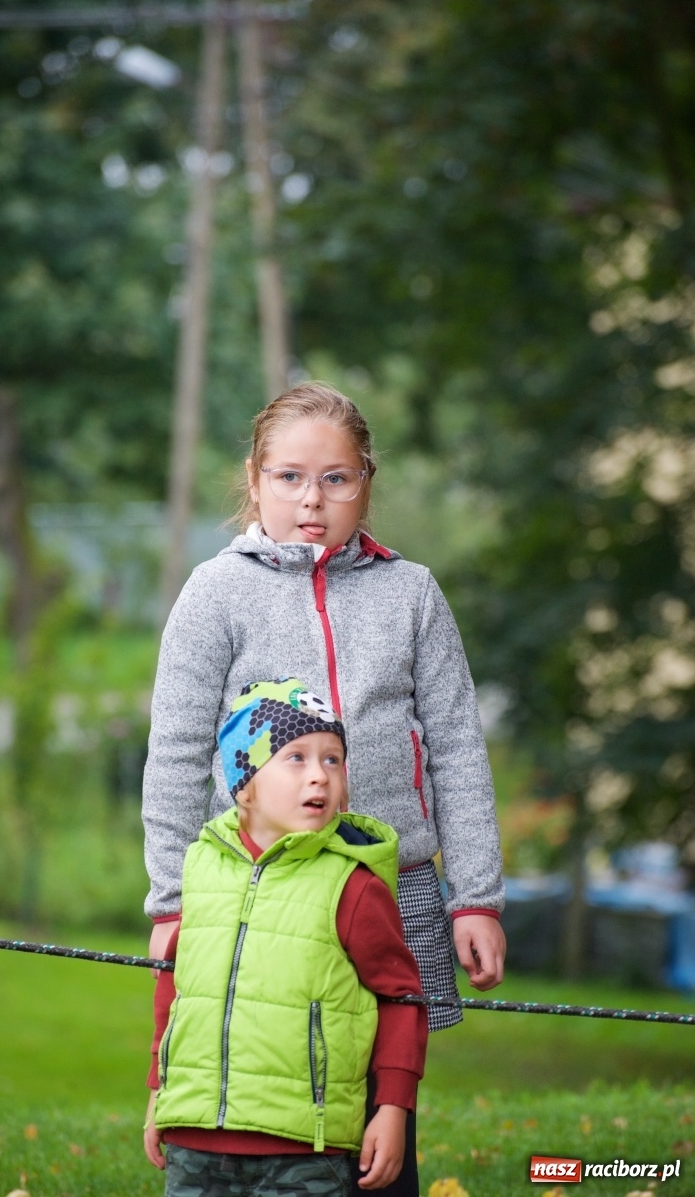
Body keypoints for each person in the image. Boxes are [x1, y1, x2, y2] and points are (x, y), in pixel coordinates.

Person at [143, 381, 506, 1196]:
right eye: (291, 478)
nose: (314, 500)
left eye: (337, 479)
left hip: (395, 888)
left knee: (384, 1104)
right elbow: (173, 754)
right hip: (260, 900)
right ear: (255, 477)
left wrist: (475, 897)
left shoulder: (412, 594)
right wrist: (173, 902)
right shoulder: (215, 593)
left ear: (366, 482)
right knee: (279, 1090)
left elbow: (455, 747)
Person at [143, 678, 427, 1196]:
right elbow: (178, 988)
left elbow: (402, 998)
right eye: (296, 758)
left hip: (305, 1149)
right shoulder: (202, 868)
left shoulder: (353, 885)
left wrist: (392, 1108)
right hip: (196, 1141)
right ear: (244, 783)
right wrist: (159, 1093)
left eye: (333, 760)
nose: (319, 775)